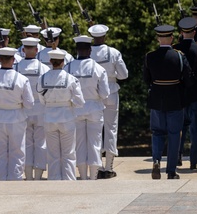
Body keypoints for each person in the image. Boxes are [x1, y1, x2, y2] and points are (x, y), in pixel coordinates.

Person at [144, 24, 192, 179]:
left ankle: (156, 160)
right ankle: (171, 170)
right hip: (175, 99)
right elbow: (188, 78)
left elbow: (146, 79)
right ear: (171, 38)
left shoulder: (150, 56)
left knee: (157, 132)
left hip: (157, 98)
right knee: (174, 134)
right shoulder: (179, 56)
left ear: (159, 38)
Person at [0, 47, 35, 180]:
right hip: (16, 117)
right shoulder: (22, 79)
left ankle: (0, 179)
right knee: (17, 151)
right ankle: (15, 179)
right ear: (14, 60)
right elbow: (29, 103)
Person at [67, 35, 111, 179]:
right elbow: (105, 93)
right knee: (95, 143)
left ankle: (83, 176)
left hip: (76, 109)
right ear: (90, 50)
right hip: (94, 108)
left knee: (79, 144)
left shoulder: (68, 67)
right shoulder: (98, 69)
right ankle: (93, 176)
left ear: (77, 50)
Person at [38, 49, 84, 181]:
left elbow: (41, 100)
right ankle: (69, 181)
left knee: (52, 154)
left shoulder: (42, 78)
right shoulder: (71, 79)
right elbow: (80, 101)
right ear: (63, 62)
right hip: (67, 118)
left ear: (51, 61)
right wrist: (69, 103)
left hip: (49, 118)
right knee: (68, 153)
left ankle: (54, 180)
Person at [90, 24, 129, 176]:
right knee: (111, 129)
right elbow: (124, 75)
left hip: (94, 93)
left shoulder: (87, 53)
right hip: (111, 92)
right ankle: (109, 167)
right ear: (105, 36)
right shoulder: (113, 52)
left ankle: (98, 166)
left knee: (96, 130)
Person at [174, 16, 197, 171]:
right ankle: (194, 160)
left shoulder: (175, 49)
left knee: (179, 127)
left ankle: (177, 156)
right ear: (194, 32)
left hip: (180, 93)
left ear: (181, 32)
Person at [17, 37, 48, 180]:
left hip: (23, 109)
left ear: (23, 50)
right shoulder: (44, 68)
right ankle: (38, 176)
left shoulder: (16, 67)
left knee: (26, 143)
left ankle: (28, 175)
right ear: (37, 50)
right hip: (40, 108)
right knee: (41, 143)